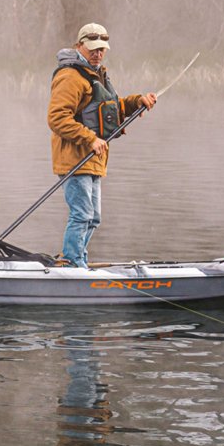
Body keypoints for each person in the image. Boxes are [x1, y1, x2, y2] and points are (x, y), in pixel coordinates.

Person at [47, 23, 157, 269]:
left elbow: (110, 107)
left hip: (94, 159)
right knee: (82, 214)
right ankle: (72, 263)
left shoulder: (97, 75)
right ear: (79, 46)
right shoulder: (70, 77)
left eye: (101, 49)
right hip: (75, 159)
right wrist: (89, 138)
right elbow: (57, 118)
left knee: (94, 218)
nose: (97, 53)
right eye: (92, 48)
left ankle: (77, 260)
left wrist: (137, 102)